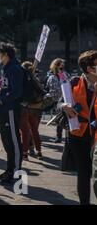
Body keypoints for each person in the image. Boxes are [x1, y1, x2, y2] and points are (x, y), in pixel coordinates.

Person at [59, 50, 97, 205]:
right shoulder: (74, 82)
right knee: (83, 172)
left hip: (96, 136)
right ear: (89, 68)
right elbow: (60, 103)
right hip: (78, 135)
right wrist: (64, 106)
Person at [0, 42, 23, 184]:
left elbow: (17, 91)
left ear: (5, 54)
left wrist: (2, 100)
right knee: (7, 142)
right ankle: (9, 170)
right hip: (4, 110)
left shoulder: (14, 68)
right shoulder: (5, 68)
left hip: (10, 109)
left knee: (14, 141)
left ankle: (16, 172)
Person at [19, 61, 43, 161]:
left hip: (24, 107)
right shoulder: (35, 78)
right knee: (34, 131)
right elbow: (41, 91)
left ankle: (25, 154)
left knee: (25, 132)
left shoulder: (21, 78)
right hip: (35, 108)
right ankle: (39, 152)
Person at [45, 58, 69, 143]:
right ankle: (59, 136)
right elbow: (50, 90)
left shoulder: (66, 75)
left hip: (66, 100)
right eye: (60, 67)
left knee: (66, 118)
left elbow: (69, 85)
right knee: (59, 119)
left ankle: (66, 136)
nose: (62, 69)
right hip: (57, 101)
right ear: (56, 67)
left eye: (63, 67)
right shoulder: (51, 77)